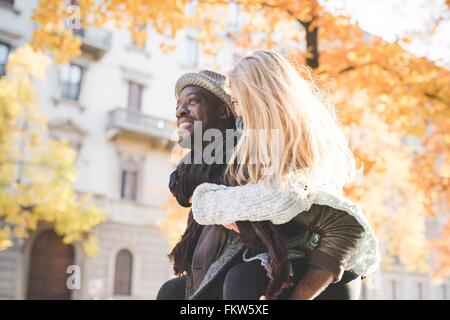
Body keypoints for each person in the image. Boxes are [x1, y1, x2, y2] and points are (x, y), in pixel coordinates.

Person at [191, 51, 380, 300]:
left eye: (236, 102)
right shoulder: (247, 146)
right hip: (282, 257)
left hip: (326, 270)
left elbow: (345, 227)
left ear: (256, 102)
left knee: (241, 281)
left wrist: (299, 297)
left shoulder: (300, 162)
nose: (235, 112)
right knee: (176, 292)